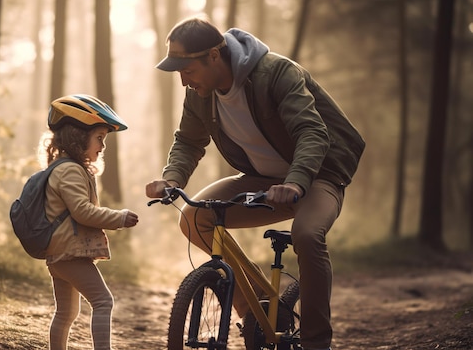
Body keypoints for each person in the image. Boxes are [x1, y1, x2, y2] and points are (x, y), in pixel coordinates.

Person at [145, 17, 365, 350]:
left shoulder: (276, 74)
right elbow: (189, 142)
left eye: (187, 71)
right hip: (262, 179)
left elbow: (312, 132)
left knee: (306, 234)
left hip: (318, 176)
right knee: (194, 217)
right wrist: (171, 179)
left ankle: (316, 342)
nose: (183, 82)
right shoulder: (200, 93)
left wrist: (295, 182)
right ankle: (258, 306)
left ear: (214, 57)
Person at [41, 94, 139, 350]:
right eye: (99, 138)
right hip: (70, 254)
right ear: (78, 136)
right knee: (103, 301)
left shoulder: (62, 168)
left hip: (60, 253)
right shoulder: (69, 170)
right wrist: (119, 218)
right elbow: (82, 212)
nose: (103, 146)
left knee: (65, 313)